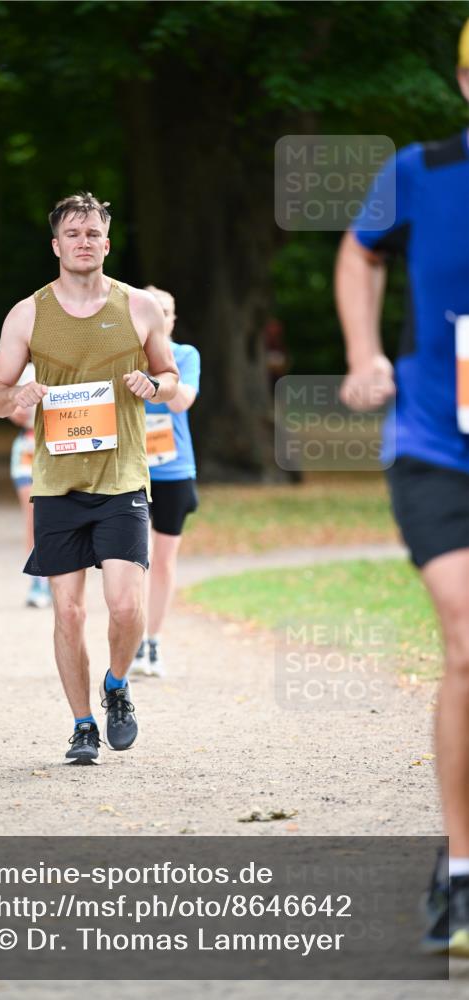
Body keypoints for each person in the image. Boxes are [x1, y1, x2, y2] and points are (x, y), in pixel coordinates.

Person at [335, 20, 469, 958]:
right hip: (436, 445)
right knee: (467, 638)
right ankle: (461, 870)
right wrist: (361, 352)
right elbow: (358, 252)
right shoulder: (418, 171)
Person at [0, 192, 179, 764]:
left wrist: (154, 386)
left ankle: (117, 685)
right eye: (73, 234)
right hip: (57, 484)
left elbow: (169, 376)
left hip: (121, 478)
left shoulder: (140, 307)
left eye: (93, 233)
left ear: (107, 243)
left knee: (123, 607)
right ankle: (83, 724)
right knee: (67, 611)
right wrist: (16, 394)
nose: (84, 242)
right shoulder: (29, 313)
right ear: (56, 245)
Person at [130, 285, 200, 678]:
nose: (161, 316)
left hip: (173, 470)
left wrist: (160, 371)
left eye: (166, 311)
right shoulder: (123, 354)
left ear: (172, 319)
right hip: (130, 470)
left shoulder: (185, 355)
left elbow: (182, 401)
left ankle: (153, 641)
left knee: (163, 561)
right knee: (131, 561)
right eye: (152, 310)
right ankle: (132, 637)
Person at [9, 361, 51, 608]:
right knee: (33, 517)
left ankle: (60, 578)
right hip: (28, 444)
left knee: (61, 518)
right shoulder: (25, 370)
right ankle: (37, 578)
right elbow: (9, 408)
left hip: (60, 447)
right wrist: (17, 411)